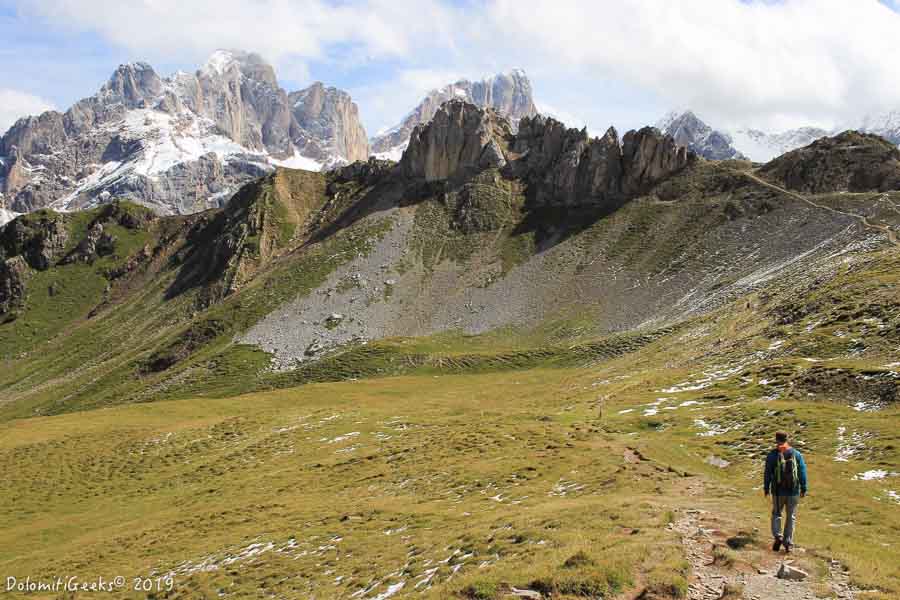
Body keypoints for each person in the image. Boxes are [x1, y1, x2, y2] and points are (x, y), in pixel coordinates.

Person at [764, 431, 808, 553]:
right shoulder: (796, 454)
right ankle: (788, 542)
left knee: (777, 513)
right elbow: (802, 472)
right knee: (791, 516)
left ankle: (778, 536)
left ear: (776, 439)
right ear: (787, 439)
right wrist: (804, 487)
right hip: (793, 491)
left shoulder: (772, 455)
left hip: (778, 491)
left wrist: (766, 488)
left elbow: (767, 473)